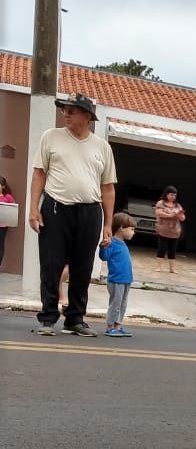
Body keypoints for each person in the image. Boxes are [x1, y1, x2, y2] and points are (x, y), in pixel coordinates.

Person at [29, 93, 117, 337]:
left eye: (72, 110)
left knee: (83, 267)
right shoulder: (51, 137)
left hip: (90, 211)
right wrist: (33, 208)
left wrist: (108, 224)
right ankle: (47, 318)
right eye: (64, 109)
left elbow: (108, 188)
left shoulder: (102, 147)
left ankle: (75, 319)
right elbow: (39, 174)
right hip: (56, 208)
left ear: (87, 116)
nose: (65, 114)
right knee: (51, 263)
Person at [100, 213, 136, 337]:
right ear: (121, 228)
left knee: (123, 303)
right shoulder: (112, 243)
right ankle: (110, 326)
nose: (133, 232)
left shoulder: (122, 243)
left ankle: (118, 325)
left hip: (126, 280)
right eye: (131, 229)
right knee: (115, 303)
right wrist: (103, 246)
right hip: (116, 280)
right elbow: (104, 257)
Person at [154, 186, 186, 274]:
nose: (173, 197)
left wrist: (179, 215)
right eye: (171, 195)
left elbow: (183, 218)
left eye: (175, 195)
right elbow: (158, 213)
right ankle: (158, 267)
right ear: (167, 194)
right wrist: (171, 215)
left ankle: (172, 268)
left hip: (174, 231)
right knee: (162, 248)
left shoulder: (178, 205)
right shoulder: (161, 203)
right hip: (163, 230)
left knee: (172, 250)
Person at [0, 176, 15, 267]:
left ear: (3, 186)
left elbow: (13, 209)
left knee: (0, 245)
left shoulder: (7, 197)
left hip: (2, 226)